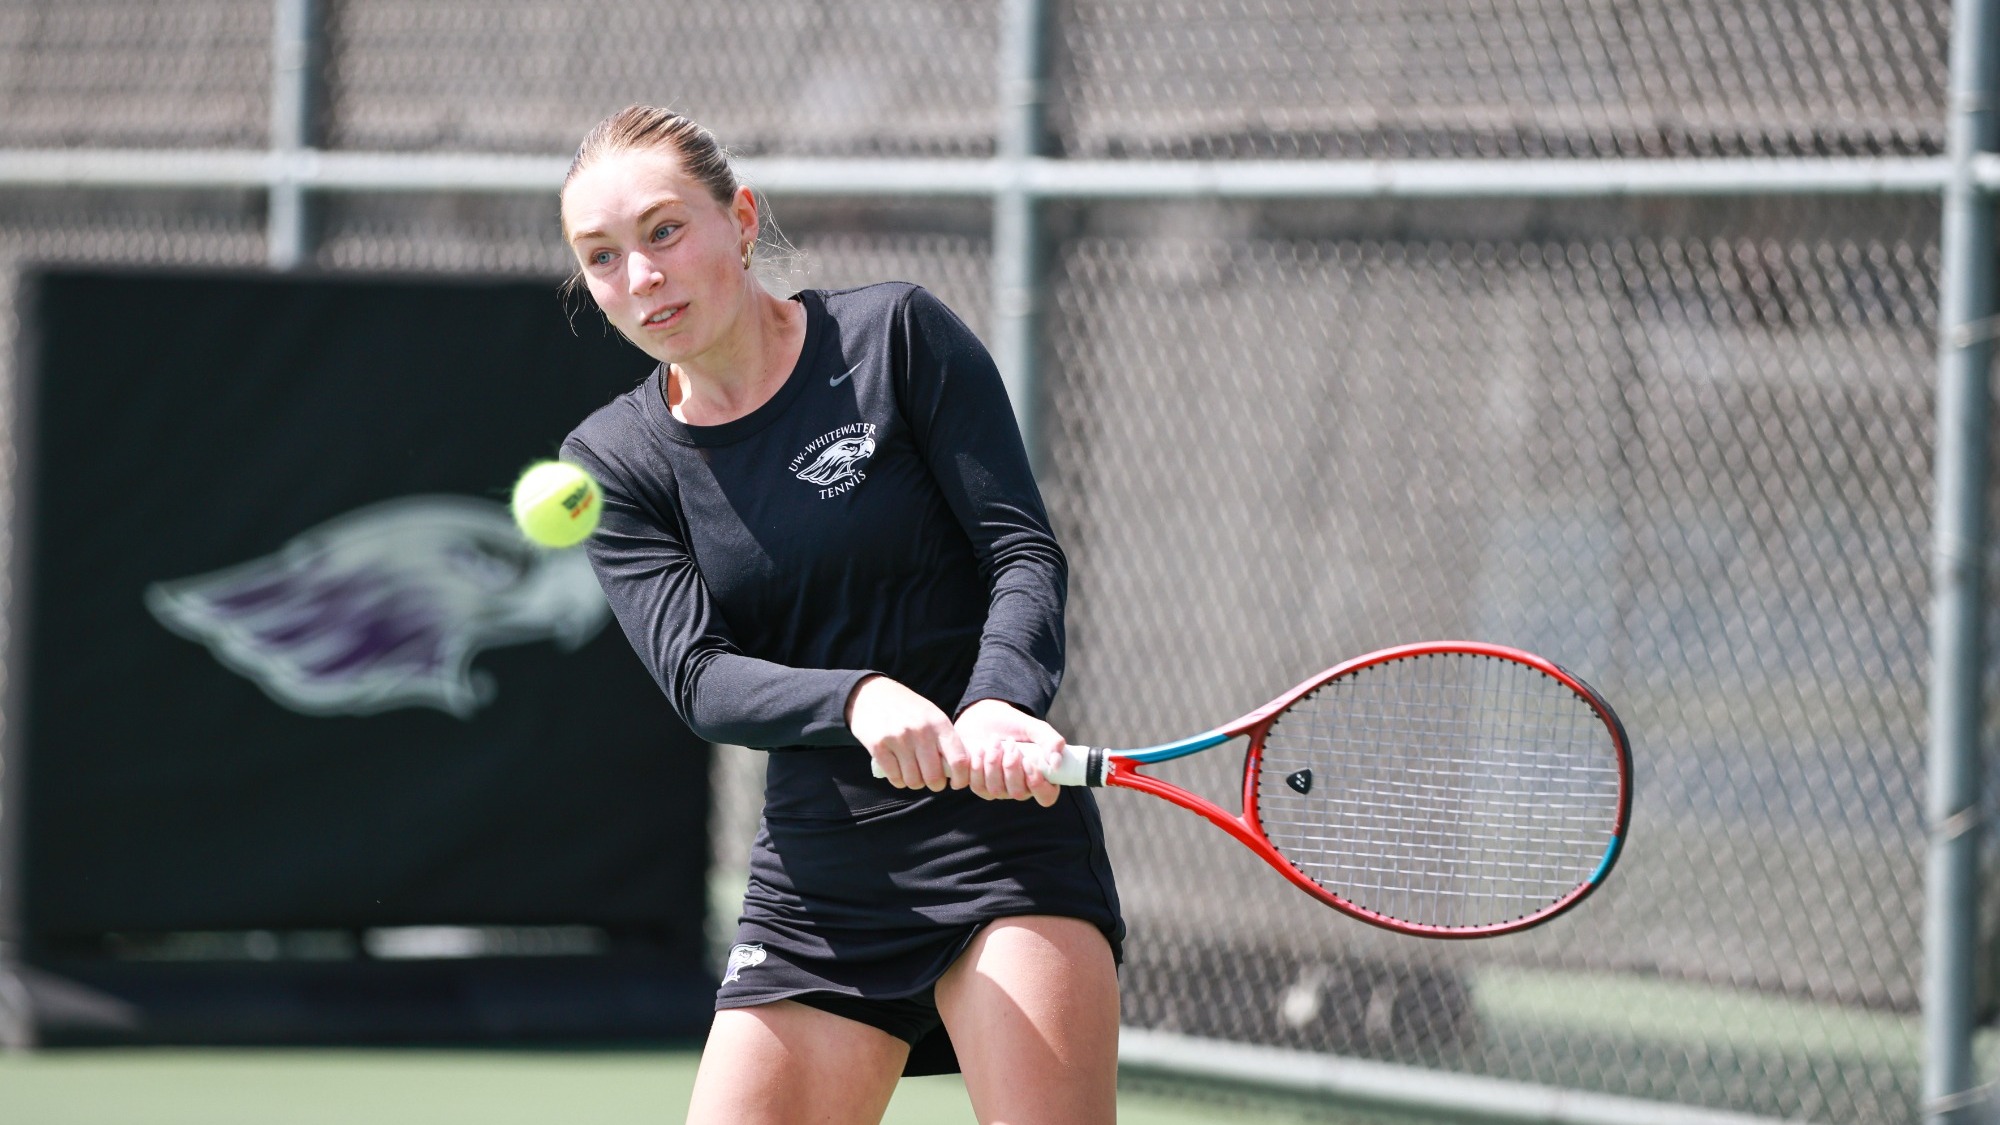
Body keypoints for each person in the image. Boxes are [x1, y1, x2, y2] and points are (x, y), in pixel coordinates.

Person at [556, 106, 1123, 1125]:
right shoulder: (612, 460)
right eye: (602, 257)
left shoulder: (895, 336)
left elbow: (1020, 552)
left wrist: (997, 702)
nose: (640, 276)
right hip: (818, 876)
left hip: (999, 843)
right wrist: (857, 698)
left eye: (663, 231)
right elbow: (699, 676)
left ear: (739, 219)